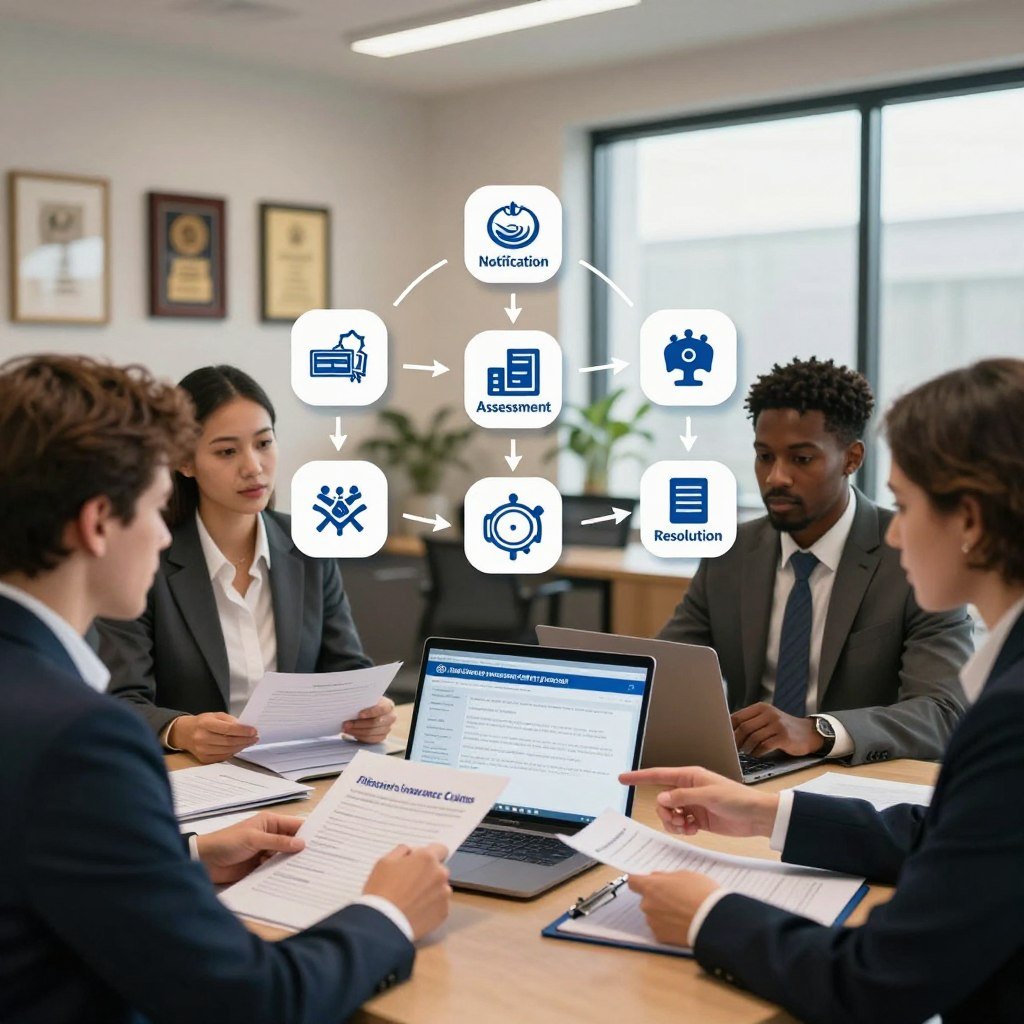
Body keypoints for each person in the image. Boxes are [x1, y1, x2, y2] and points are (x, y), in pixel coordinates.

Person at [0, 355, 451, 1024]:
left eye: (264, 443)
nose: (161, 534)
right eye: (155, 510)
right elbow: (251, 1000)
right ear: (98, 523)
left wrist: (183, 855)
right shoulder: (83, 739)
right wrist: (387, 911)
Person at [624, 358, 1024, 1023]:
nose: (895, 531)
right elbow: (949, 835)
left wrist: (708, 916)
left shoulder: (1011, 718)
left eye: (904, 506)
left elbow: (880, 982)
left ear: (972, 522)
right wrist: (763, 815)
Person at [658, 356, 972, 763]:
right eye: (765, 456)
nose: (776, 478)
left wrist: (819, 731)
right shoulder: (731, 551)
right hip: (749, 773)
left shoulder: (914, 557)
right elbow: (663, 669)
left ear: (852, 459)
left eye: (801, 459)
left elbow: (943, 713)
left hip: (858, 780)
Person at [96, 364, 395, 763]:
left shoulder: (309, 544)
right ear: (185, 462)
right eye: (226, 451)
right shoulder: (145, 559)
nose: (253, 467)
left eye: (264, 444)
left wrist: (370, 712)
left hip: (299, 769)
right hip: (195, 775)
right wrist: (181, 730)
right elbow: (120, 702)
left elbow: (348, 670)